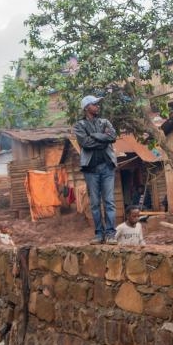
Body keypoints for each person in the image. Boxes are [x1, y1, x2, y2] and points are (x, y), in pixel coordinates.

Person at [73, 95, 118, 245]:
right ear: (87, 108)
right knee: (94, 203)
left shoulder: (105, 122)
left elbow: (112, 137)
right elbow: (85, 143)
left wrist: (94, 136)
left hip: (107, 167)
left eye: (98, 104)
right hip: (91, 170)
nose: (98, 106)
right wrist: (102, 138)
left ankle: (111, 234)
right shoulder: (79, 126)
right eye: (95, 104)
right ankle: (99, 234)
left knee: (109, 201)